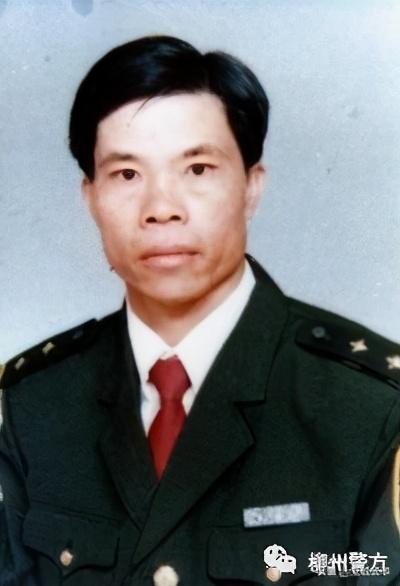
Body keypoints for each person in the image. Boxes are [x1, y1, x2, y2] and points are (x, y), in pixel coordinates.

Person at [0, 35, 399, 586]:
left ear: (251, 187)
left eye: (198, 169)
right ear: (89, 198)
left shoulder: (370, 407)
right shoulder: (30, 407)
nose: (161, 209)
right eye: (127, 175)